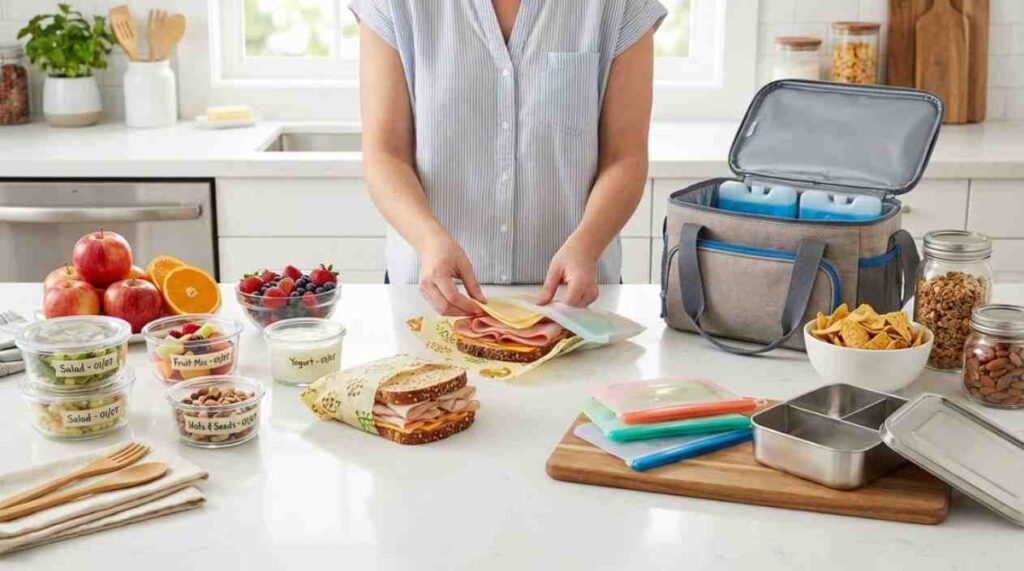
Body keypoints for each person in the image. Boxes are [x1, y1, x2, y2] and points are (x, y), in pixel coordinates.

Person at [355, 0, 665, 315]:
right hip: (431, 301)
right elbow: (386, 154)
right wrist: (427, 240)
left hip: (572, 305)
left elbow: (624, 157)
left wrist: (587, 244)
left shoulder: (619, 5)